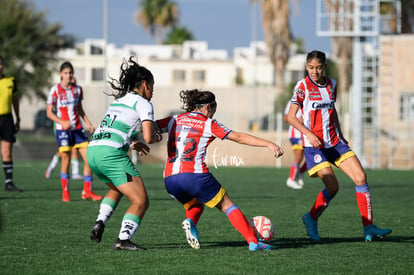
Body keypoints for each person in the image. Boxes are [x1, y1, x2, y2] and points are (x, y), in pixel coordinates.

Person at [155, 89, 284, 251]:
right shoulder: (209, 124)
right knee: (227, 206)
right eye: (214, 108)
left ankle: (191, 222)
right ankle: (253, 242)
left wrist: (134, 141)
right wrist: (268, 143)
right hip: (195, 176)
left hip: (170, 180)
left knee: (195, 205)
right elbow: (238, 137)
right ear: (208, 107)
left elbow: (148, 128)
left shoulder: (174, 119)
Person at [286, 50, 392, 242]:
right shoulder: (302, 87)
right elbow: (291, 117)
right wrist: (309, 134)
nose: (315, 71)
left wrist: (341, 134)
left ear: (324, 67)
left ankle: (369, 227)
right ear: (306, 67)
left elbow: (332, 111)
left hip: (335, 143)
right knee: (333, 187)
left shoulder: (332, 85)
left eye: (318, 67)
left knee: (360, 178)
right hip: (314, 146)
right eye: (311, 67)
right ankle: (311, 218)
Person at [87, 57, 162, 251]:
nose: (152, 92)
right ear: (145, 84)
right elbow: (149, 136)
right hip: (111, 155)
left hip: (93, 151)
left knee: (118, 188)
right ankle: (123, 239)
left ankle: (100, 222)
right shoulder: (144, 103)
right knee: (141, 200)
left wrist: (132, 143)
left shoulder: (118, 101)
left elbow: (114, 128)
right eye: (152, 87)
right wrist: (155, 136)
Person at [46, 62, 102, 202]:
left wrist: (88, 123)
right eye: (65, 73)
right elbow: (49, 113)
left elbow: (80, 109)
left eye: (70, 73)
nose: (68, 75)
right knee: (65, 159)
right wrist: (61, 122)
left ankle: (87, 191)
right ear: (61, 74)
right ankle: (65, 192)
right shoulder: (55, 90)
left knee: (89, 158)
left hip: (77, 129)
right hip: (63, 131)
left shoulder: (77, 89)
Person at [45, 77, 83, 180]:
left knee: (73, 149)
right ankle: (52, 167)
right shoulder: (58, 90)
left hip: (74, 126)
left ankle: (74, 172)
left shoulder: (76, 91)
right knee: (65, 151)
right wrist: (62, 122)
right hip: (60, 126)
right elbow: (50, 111)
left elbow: (78, 109)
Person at [0, 56, 23, 192]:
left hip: (7, 119)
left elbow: (15, 101)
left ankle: (9, 183)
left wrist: (18, 118)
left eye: (1, 63)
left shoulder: (11, 81)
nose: (0, 66)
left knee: (7, 153)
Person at [283, 101, 306, 189]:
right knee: (299, 157)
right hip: (296, 134)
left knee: (311, 156)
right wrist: (297, 119)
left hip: (306, 134)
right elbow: (286, 117)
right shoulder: (292, 102)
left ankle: (299, 172)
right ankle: (291, 179)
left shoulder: (309, 99)